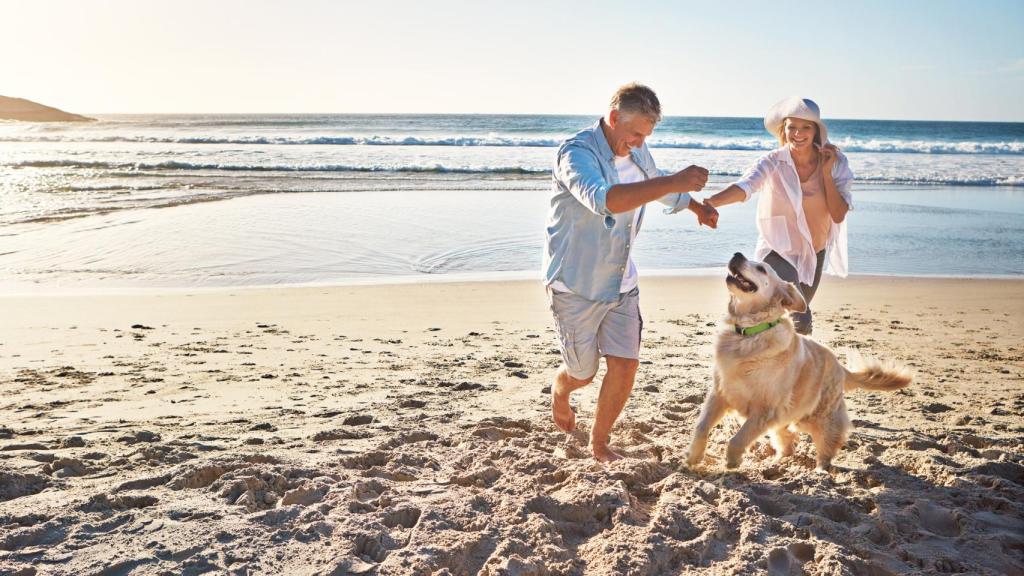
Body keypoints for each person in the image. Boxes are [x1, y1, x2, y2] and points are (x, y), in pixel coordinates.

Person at [543, 83, 718, 462]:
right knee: (583, 374)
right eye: (635, 133)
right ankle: (561, 387)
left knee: (625, 365)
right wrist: (674, 181)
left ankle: (599, 443)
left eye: (646, 135)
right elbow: (604, 200)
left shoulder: (638, 151)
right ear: (613, 118)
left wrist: (695, 207)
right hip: (576, 283)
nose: (639, 142)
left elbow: (655, 186)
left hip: (622, 279)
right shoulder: (576, 154)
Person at [704, 97, 854, 335]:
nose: (798, 133)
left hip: (814, 252)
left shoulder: (836, 164)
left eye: (805, 127)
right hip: (778, 249)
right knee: (800, 319)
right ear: (783, 130)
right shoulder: (773, 162)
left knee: (789, 318)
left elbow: (838, 214)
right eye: (791, 126)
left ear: (816, 131)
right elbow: (746, 186)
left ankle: (773, 361)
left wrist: (826, 173)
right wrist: (712, 202)